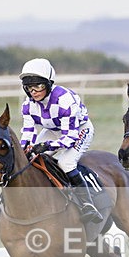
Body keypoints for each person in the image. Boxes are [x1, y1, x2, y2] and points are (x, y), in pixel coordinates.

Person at [19, 58, 103, 223]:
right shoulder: (28, 105)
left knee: (65, 163)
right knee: (29, 159)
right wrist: (24, 149)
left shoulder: (64, 100)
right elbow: (28, 132)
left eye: (39, 86)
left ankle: (88, 204)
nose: (34, 91)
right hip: (52, 130)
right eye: (29, 87)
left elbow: (69, 138)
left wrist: (45, 146)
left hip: (79, 130)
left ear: (49, 84)